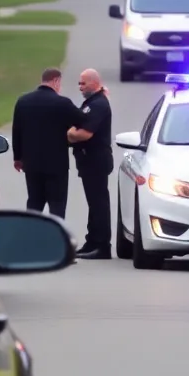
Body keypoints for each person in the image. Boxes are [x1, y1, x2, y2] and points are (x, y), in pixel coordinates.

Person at [11, 67, 84, 218]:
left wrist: (17, 158)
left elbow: (16, 131)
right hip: (56, 165)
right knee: (57, 205)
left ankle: (31, 229)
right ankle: (56, 232)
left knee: (34, 202)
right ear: (56, 81)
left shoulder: (23, 102)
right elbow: (83, 121)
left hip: (31, 164)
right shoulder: (62, 103)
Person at [67, 68, 114, 260]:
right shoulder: (92, 103)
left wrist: (69, 133)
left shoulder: (98, 104)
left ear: (95, 83)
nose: (80, 87)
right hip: (89, 161)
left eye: (83, 83)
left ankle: (102, 245)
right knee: (94, 203)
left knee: (98, 203)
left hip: (96, 160)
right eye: (79, 83)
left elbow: (84, 134)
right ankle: (92, 242)